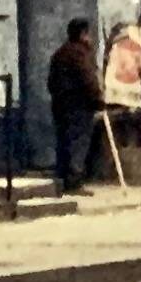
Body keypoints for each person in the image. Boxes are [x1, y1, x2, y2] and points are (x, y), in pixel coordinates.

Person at [47, 18, 104, 194]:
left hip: (60, 105)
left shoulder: (60, 53)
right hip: (79, 107)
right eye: (88, 34)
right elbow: (88, 80)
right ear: (83, 34)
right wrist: (98, 99)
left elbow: (51, 82)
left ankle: (61, 180)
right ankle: (74, 182)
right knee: (78, 143)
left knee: (64, 141)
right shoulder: (81, 55)